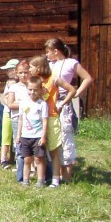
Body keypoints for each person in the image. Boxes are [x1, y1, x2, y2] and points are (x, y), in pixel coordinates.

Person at [45, 37, 93, 182]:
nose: (46, 54)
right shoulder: (49, 65)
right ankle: (54, 172)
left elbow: (87, 78)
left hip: (64, 103)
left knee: (65, 136)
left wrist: (76, 93)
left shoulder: (71, 63)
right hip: (50, 102)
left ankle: (66, 175)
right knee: (53, 135)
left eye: (48, 52)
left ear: (56, 51)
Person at [28, 54, 76, 188]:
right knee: (40, 151)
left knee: (54, 150)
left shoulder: (53, 79)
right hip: (38, 119)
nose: (29, 70)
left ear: (39, 67)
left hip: (51, 117)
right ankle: (42, 178)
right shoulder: (35, 82)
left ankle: (55, 180)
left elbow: (72, 90)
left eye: (31, 67)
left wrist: (61, 104)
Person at [16, 76, 49, 187]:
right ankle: (25, 180)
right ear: (27, 89)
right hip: (25, 136)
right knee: (26, 159)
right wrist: (18, 134)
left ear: (40, 90)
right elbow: (20, 119)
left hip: (38, 136)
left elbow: (45, 121)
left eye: (35, 90)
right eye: (30, 89)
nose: (32, 92)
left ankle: (41, 180)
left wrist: (43, 136)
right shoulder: (23, 103)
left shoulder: (42, 104)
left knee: (39, 159)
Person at [4, 60, 31, 183]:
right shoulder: (14, 87)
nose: (23, 75)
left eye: (26, 72)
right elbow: (10, 104)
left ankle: (34, 170)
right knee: (19, 146)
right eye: (21, 73)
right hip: (17, 119)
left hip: (32, 119)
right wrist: (26, 104)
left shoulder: (33, 85)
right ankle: (20, 176)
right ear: (16, 73)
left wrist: (22, 104)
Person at [0, 59, 19, 168]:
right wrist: (9, 105)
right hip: (7, 112)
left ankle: (16, 158)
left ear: (15, 70)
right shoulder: (9, 83)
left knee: (17, 136)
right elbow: (4, 97)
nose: (7, 72)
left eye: (9, 70)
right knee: (6, 135)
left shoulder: (21, 83)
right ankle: (3, 159)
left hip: (18, 113)